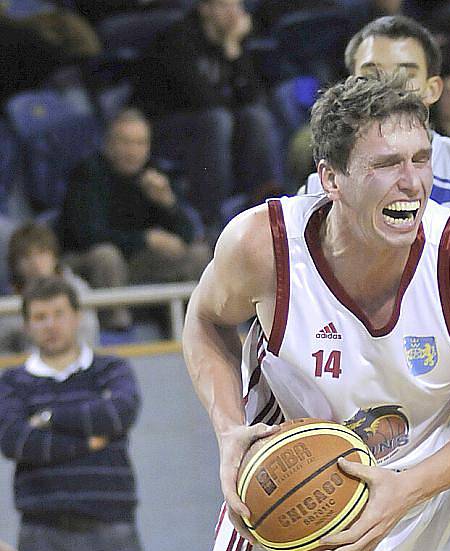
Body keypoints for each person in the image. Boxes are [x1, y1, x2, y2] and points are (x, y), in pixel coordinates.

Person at [183, 73, 450, 551]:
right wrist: (228, 430)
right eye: (385, 165)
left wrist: (408, 488)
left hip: (443, 515)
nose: (412, 182)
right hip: (297, 524)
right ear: (330, 178)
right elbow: (204, 319)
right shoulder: (263, 247)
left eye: (421, 159)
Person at [0, 277, 148, 551]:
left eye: (59, 313)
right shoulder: (12, 382)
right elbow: (16, 441)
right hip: (42, 535)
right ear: (26, 325)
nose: (51, 325)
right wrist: (87, 442)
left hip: (112, 531)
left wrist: (49, 418)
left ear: (77, 316)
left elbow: (119, 413)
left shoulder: (111, 368)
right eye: (40, 317)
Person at [300, 15, 450, 210]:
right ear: (350, 85)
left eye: (404, 74)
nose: (387, 86)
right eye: (372, 73)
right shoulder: (317, 188)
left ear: (432, 90)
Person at [134, 0, 284, 228]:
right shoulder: (179, 39)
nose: (234, 14)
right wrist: (231, 46)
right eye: (225, 6)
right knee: (217, 120)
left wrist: (234, 52)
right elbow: (202, 100)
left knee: (256, 116)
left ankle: (265, 202)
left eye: (238, 6)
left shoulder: (230, 41)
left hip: (211, 124)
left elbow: (253, 97)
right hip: (163, 128)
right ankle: (211, 216)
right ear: (205, 8)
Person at [59, 108, 211, 329]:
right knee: (107, 256)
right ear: (108, 144)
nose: (133, 151)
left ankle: (194, 327)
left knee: (197, 255)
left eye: (140, 143)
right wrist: (145, 239)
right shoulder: (88, 174)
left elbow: (187, 235)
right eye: (125, 142)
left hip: (138, 263)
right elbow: (88, 235)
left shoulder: (154, 174)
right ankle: (117, 330)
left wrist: (168, 204)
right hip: (87, 263)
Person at [0, 222, 99, 353]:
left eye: (42, 253)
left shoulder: (77, 289)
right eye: (27, 257)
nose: (36, 263)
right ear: (15, 264)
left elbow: (88, 337)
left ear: (54, 257)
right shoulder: (10, 299)